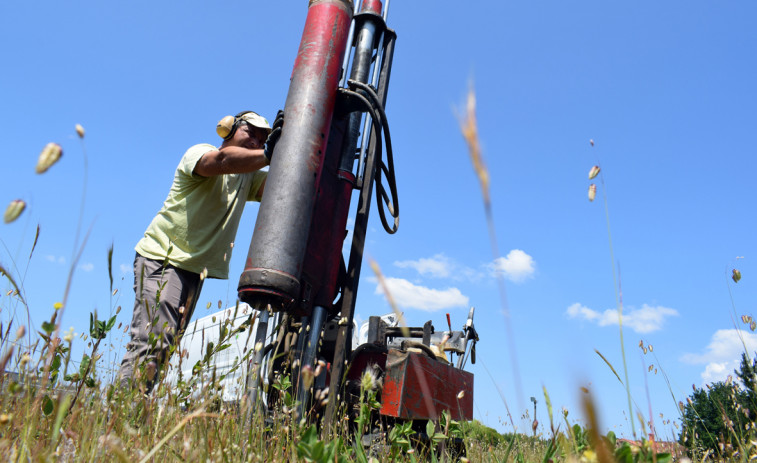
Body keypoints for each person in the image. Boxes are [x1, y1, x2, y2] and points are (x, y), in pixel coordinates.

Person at [117, 110, 283, 392]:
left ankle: (129, 411)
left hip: (193, 271)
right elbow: (220, 161)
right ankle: (120, 414)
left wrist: (291, 149)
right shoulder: (201, 152)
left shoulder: (248, 178)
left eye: (264, 139)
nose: (256, 142)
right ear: (228, 129)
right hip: (164, 258)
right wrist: (269, 153)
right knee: (154, 339)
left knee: (164, 347)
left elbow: (279, 185)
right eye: (250, 134)